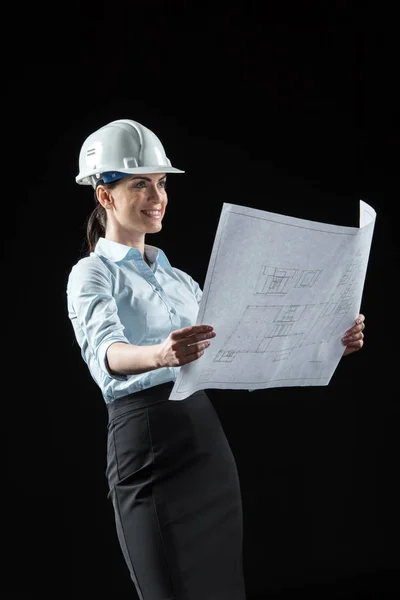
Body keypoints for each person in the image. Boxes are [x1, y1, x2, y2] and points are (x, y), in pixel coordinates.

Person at [66, 118, 366, 600]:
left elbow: (248, 343)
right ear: (104, 195)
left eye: (161, 183)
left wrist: (331, 337)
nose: (157, 196)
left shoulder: (181, 280)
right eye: (140, 183)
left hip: (205, 446)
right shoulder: (91, 273)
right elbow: (107, 354)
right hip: (145, 447)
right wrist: (162, 353)